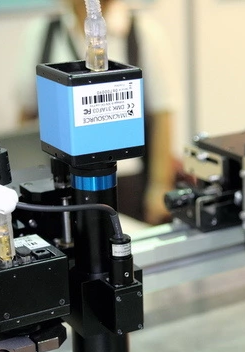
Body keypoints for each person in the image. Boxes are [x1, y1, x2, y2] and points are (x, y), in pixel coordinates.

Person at [16, 0, 179, 224]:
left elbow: (162, 113)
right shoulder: (42, 32)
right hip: (61, 178)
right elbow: (26, 115)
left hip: (125, 179)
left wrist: (160, 185)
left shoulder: (142, 31)